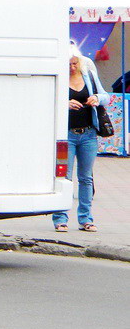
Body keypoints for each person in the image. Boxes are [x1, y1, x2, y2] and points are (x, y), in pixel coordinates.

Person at [54, 51, 107, 232]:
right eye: (68, 64)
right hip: (66, 135)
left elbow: (105, 96)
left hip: (88, 134)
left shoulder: (89, 76)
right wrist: (66, 103)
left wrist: (97, 98)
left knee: (86, 178)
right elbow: (50, 98)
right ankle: (60, 219)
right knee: (64, 178)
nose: (72, 67)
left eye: (74, 63)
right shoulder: (60, 77)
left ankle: (86, 219)